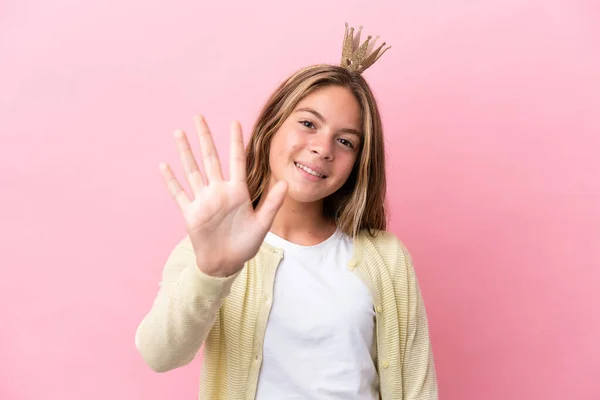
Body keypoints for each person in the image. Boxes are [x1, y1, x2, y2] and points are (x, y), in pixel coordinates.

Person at [135, 23, 438, 400]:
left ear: (359, 162)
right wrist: (212, 273)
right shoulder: (213, 248)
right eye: (308, 123)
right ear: (272, 127)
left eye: (345, 141)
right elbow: (159, 354)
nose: (323, 148)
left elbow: (418, 387)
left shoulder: (387, 258)